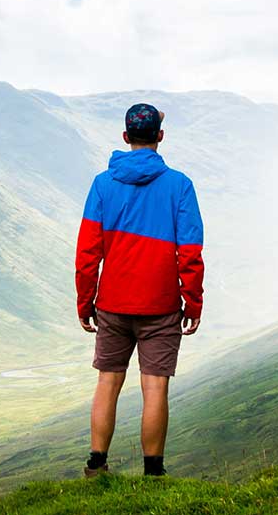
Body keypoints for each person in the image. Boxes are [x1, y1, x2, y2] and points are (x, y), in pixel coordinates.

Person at [74, 102, 204, 477]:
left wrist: (86, 302)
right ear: (160, 137)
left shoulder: (102, 185)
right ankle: (153, 473)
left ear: (125, 137)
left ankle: (97, 465)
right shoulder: (180, 186)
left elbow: (87, 254)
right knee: (155, 388)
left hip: (112, 304)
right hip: (161, 307)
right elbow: (190, 253)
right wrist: (192, 302)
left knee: (108, 381)